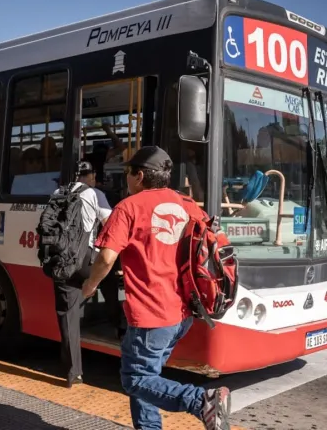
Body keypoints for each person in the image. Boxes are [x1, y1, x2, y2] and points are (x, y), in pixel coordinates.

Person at [81, 146, 233, 430]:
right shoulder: (188, 204)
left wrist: (90, 285)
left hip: (150, 314)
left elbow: (106, 257)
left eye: (127, 173)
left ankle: (201, 401)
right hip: (183, 312)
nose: (126, 179)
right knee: (150, 378)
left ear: (139, 176)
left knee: (137, 380)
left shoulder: (129, 206)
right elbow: (213, 247)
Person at [52, 160, 113, 387]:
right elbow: (110, 224)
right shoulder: (96, 194)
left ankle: (73, 372)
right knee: (107, 273)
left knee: (67, 314)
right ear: (91, 176)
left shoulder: (57, 193)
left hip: (62, 260)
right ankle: (117, 322)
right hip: (86, 260)